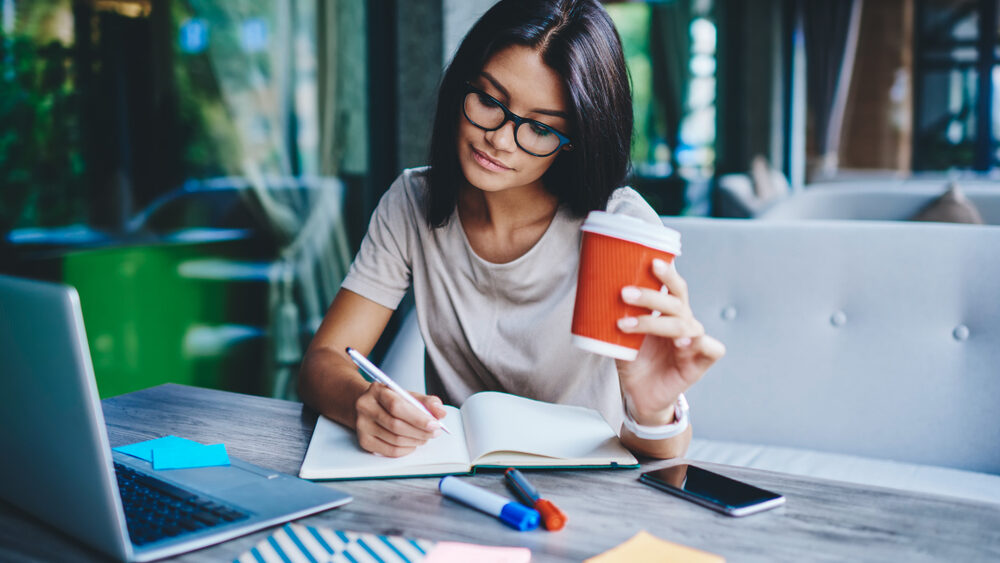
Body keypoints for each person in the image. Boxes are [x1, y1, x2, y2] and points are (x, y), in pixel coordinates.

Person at [298, 0, 724, 460]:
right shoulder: (412, 202)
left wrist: (652, 409)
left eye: (540, 127)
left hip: (587, 491)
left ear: (577, 140)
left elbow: (664, 466)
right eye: (487, 100)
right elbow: (324, 360)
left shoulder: (619, 230)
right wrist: (365, 403)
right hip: (456, 482)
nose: (499, 140)